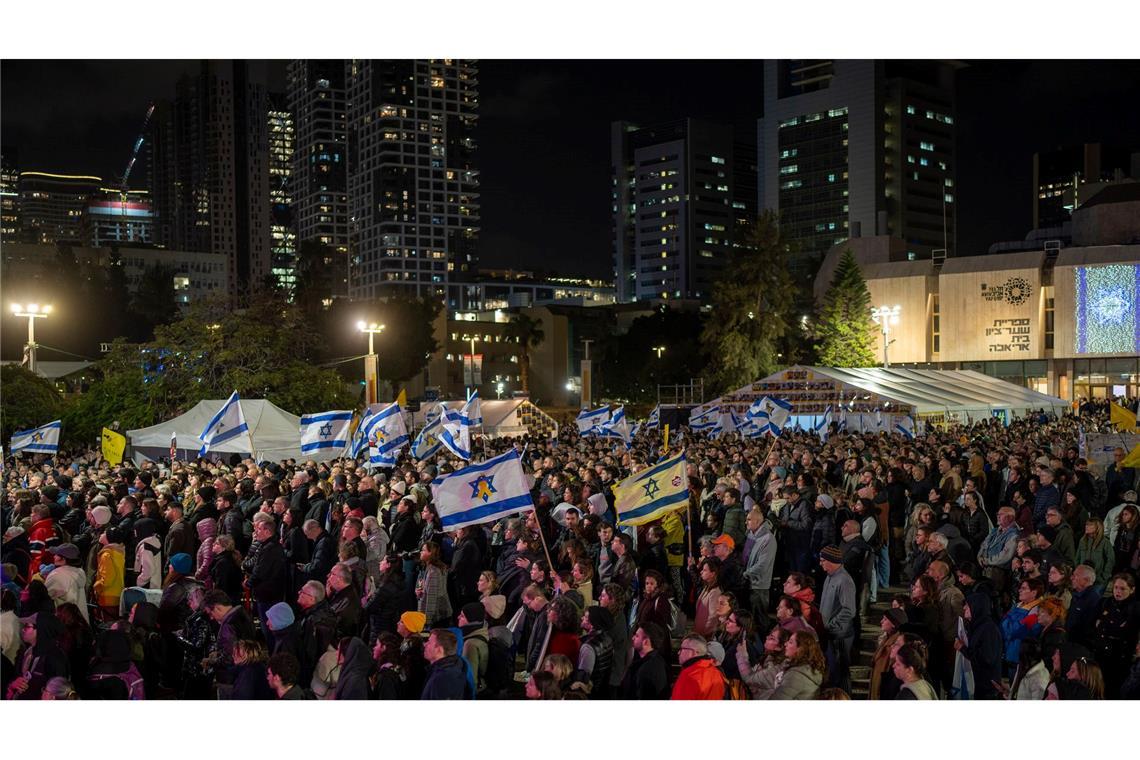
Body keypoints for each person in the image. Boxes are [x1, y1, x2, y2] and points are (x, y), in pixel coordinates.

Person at [1091, 573, 1140, 698]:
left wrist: (1105, 626)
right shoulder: (1105, 602)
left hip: (1119, 659)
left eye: (1123, 589)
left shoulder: (1135, 609)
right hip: (1099, 653)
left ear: (1132, 589)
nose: (1118, 591)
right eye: (1116, 588)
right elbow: (1093, 624)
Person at [818, 544, 856, 691]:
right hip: (832, 634)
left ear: (831, 560)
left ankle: (845, 697)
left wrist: (830, 625)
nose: (820, 563)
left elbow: (849, 610)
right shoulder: (830, 577)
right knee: (834, 671)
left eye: (822, 560)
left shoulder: (844, 580)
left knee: (842, 671)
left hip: (840, 635)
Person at [7, 611, 69, 700]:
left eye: (27, 626)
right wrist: (13, 684)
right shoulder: (26, 652)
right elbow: (15, 678)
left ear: (41, 630)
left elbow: (59, 694)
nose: (23, 629)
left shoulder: (55, 659)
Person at [955, 592, 1003, 699]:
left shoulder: (988, 629)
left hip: (987, 686)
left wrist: (963, 649)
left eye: (967, 605)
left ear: (976, 606)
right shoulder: (976, 626)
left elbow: (987, 659)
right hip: (978, 682)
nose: (964, 608)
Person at [765, 629, 826, 700]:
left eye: (790, 642)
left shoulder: (796, 675)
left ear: (800, 649)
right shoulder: (807, 669)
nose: (785, 644)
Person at [1000, 577, 1044, 674]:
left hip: (1021, 657)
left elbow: (1017, 631)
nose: (1019, 590)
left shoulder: (1037, 610)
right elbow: (1002, 624)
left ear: (1034, 592)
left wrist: (1009, 624)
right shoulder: (1017, 605)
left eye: (1024, 588)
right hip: (1009, 653)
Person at [742, 505, 777, 614]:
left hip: (759, 586)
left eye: (749, 520)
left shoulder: (768, 539)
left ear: (758, 522)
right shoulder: (751, 534)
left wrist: (745, 574)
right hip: (748, 582)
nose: (745, 522)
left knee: (760, 619)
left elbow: (763, 565)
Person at [421, 628, 472, 699]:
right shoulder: (455, 664)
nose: (424, 644)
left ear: (439, 650)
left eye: (429, 642)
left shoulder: (443, 679)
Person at [671, 634, 726, 700]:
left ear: (694, 652)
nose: (678, 652)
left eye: (682, 649)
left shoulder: (689, 676)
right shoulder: (717, 674)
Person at [43, 543, 88, 622]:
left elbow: (44, 596)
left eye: (57, 555)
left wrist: (39, 577)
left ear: (64, 559)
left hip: (65, 622)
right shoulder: (80, 572)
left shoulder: (57, 575)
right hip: (80, 622)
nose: (54, 556)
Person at [623, 622, 669, 700]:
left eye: (637, 636)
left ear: (646, 642)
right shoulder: (659, 660)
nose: (633, 638)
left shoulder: (645, 670)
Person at [869, 608, 907, 700]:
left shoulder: (895, 645)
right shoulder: (885, 639)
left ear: (894, 624)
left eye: (885, 619)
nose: (881, 621)